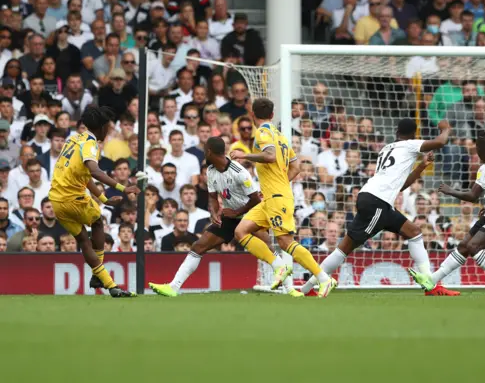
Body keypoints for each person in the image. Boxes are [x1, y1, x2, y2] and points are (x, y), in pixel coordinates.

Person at [299, 118, 458, 297]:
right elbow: (441, 141)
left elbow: (400, 186)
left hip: (376, 200)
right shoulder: (410, 144)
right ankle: (310, 287)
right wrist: (445, 128)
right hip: (376, 202)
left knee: (414, 232)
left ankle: (431, 285)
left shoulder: (386, 149)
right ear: (414, 134)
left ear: (397, 132)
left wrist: (421, 166)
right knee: (346, 248)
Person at [149, 137, 299, 297]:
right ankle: (173, 287)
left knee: (268, 247)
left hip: (250, 215)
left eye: (205, 150)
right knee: (199, 246)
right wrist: (214, 212)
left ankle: (290, 289)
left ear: (210, 152)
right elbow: (213, 197)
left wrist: (236, 212)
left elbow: (256, 199)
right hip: (229, 217)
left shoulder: (239, 172)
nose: (203, 154)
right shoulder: (211, 171)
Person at [229, 98, 336, 298]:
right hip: (272, 196)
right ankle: (279, 266)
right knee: (241, 231)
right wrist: (278, 183)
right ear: (271, 115)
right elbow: (295, 166)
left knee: (286, 242)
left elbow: (269, 156)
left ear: (253, 115)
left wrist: (244, 156)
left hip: (277, 197)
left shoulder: (262, 132)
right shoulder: (280, 136)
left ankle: (323, 278)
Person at [48, 105, 140, 298]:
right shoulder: (90, 145)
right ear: (101, 127)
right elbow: (94, 170)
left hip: (56, 200)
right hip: (73, 198)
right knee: (98, 223)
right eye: (108, 126)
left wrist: (103, 198)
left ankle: (107, 283)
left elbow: (84, 174)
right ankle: (99, 278)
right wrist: (123, 187)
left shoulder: (74, 138)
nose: (109, 130)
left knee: (83, 239)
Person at [419, 131, 485, 297]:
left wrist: (450, 191)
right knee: (464, 246)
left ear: (481, 149)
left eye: (477, 148)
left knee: (473, 247)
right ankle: (432, 280)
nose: (475, 151)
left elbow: (472, 196)